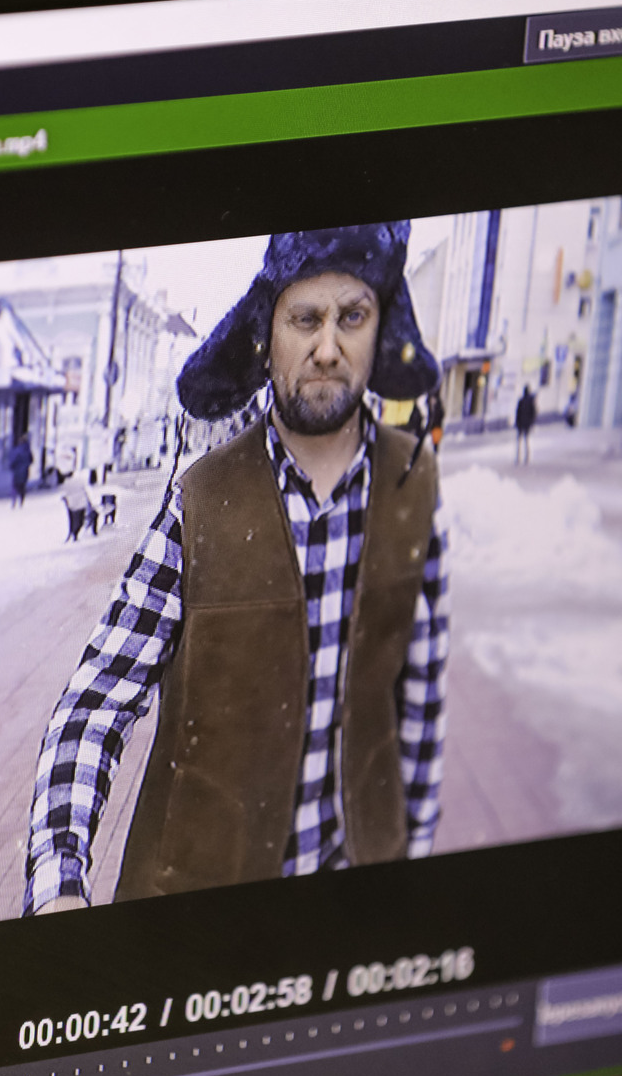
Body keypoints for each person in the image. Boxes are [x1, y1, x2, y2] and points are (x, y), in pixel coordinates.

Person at [24, 222, 450, 914]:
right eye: (305, 319)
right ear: (266, 335)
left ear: (380, 328)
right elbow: (97, 703)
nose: (327, 348)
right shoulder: (200, 502)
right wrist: (58, 880)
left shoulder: (412, 483)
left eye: (352, 317)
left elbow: (420, 704)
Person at [7, 434, 34, 507]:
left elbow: (13, 461)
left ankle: (14, 500)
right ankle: (21, 500)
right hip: (25, 471)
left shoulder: (17, 450)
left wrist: (12, 467)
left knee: (15, 486)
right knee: (22, 486)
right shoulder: (28, 451)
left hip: (17, 472)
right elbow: (31, 460)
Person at [514, 385, 538, 465]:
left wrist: (517, 423)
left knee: (520, 441)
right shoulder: (530, 401)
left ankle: (518, 457)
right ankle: (526, 457)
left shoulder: (521, 400)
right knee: (526, 441)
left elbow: (518, 413)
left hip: (521, 423)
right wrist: (532, 422)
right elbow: (533, 412)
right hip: (526, 424)